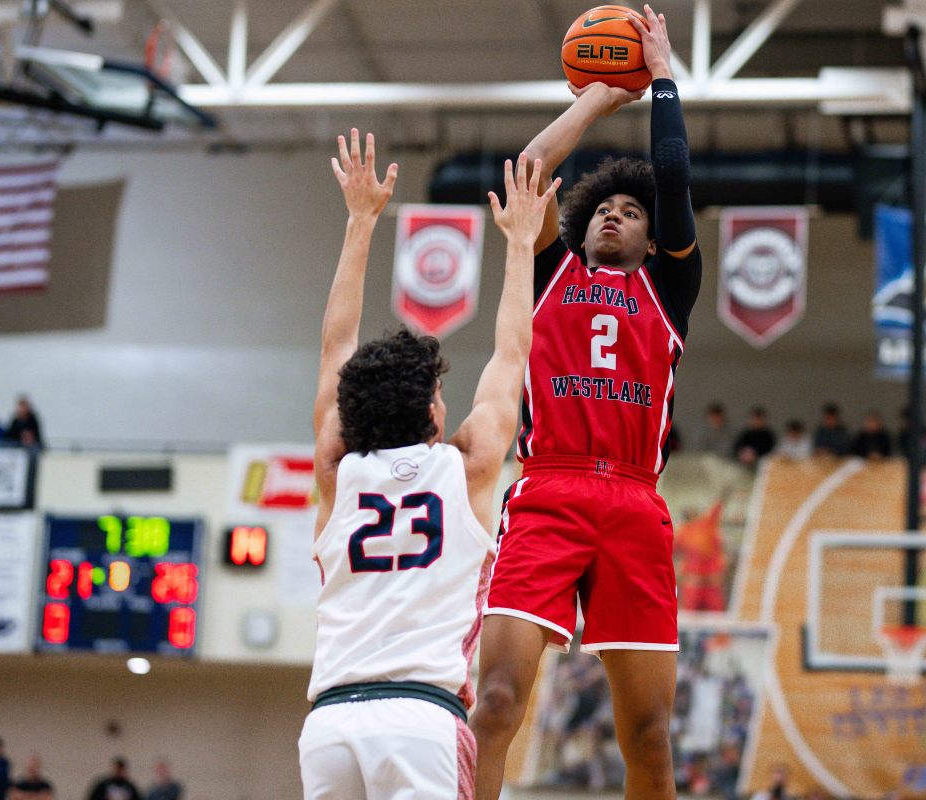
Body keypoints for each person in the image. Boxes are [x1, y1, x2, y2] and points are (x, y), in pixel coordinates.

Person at [471, 7, 699, 800]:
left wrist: (661, 78)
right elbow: (531, 169)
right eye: (605, 207)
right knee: (495, 701)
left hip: (635, 500)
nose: (614, 214)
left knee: (649, 738)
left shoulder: (669, 289)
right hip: (549, 489)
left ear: (651, 236)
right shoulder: (553, 274)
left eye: (631, 212)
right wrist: (600, 97)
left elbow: (672, 179)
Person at [297, 131, 555, 800]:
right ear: (434, 412)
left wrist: (359, 223)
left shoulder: (336, 468)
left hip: (329, 724)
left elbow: (334, 351)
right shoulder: (467, 467)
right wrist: (522, 244)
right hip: (419, 718)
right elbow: (512, 353)